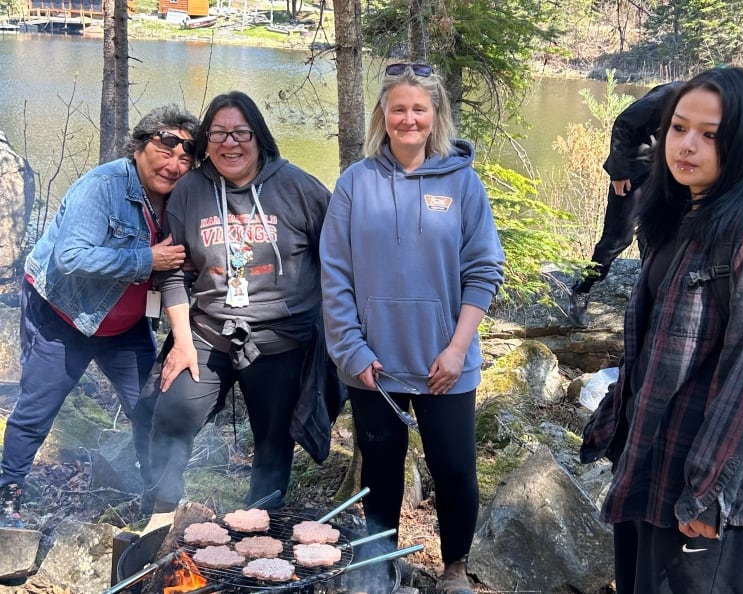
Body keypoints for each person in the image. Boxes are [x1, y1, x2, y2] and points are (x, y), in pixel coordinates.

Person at [580, 66, 743, 593]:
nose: (686, 145)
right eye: (678, 127)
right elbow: (652, 347)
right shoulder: (680, 215)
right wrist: (613, 422)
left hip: (704, 497)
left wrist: (711, 491)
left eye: (710, 134)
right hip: (650, 468)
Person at [320, 63, 505, 594]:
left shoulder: (463, 183)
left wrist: (457, 349)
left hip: (445, 363)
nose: (408, 119)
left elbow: (484, 269)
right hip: (374, 364)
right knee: (380, 470)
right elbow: (334, 272)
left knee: (454, 468)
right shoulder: (356, 182)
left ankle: (454, 569)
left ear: (435, 115)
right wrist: (350, 349)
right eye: (398, 108)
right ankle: (379, 569)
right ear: (383, 114)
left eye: (418, 109)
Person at [0, 104, 199, 528]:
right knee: (37, 408)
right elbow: (71, 257)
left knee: (150, 407)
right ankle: (9, 494)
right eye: (166, 149)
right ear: (140, 145)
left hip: (125, 327)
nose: (174, 164)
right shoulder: (103, 186)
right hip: (64, 314)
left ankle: (157, 496)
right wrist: (148, 258)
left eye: (186, 157)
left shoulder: (180, 198)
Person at [139, 91, 332, 521]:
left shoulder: (298, 187)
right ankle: (163, 515)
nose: (231, 143)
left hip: (280, 338)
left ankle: (262, 526)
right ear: (206, 142)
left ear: (259, 137)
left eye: (241, 132)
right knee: (171, 411)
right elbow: (171, 270)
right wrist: (182, 344)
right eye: (219, 134)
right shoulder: (190, 190)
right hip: (209, 332)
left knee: (272, 440)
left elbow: (338, 256)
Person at [567, 80, 683, 327]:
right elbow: (623, 123)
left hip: (664, 173)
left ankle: (648, 292)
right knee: (618, 237)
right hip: (632, 174)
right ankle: (581, 289)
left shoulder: (710, 111)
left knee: (656, 234)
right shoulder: (671, 95)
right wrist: (619, 173)